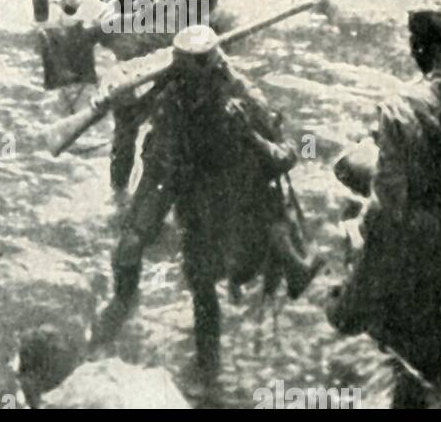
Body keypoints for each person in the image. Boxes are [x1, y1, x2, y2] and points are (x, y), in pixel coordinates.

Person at [91, 26, 321, 381]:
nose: (196, 87)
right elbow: (122, 79)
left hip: (205, 187)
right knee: (129, 248)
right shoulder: (164, 73)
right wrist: (113, 95)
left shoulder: (237, 91)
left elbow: (285, 149)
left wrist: (251, 135)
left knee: (201, 280)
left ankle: (207, 365)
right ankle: (123, 302)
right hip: (164, 169)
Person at [328, 6, 441, 407]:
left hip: (432, 247)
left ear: (418, 47)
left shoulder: (401, 108)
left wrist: (359, 235)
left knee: (414, 361)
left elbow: (388, 205)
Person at [49, 0, 213, 191]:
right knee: (125, 129)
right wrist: (82, 2)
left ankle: (156, 193)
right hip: (122, 60)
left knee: (168, 129)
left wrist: (151, 13)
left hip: (158, 57)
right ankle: (119, 191)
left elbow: (203, 0)